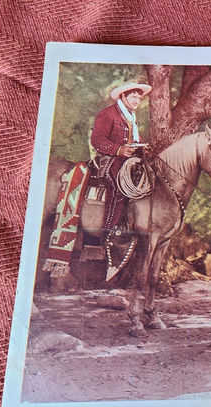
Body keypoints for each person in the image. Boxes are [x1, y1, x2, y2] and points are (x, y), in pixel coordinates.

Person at [90, 81, 152, 280]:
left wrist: (142, 147)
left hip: (128, 160)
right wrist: (118, 150)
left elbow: (133, 141)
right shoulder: (108, 114)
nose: (137, 101)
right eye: (133, 97)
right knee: (120, 186)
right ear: (123, 97)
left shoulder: (132, 118)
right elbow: (97, 140)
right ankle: (110, 231)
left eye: (139, 98)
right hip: (110, 160)